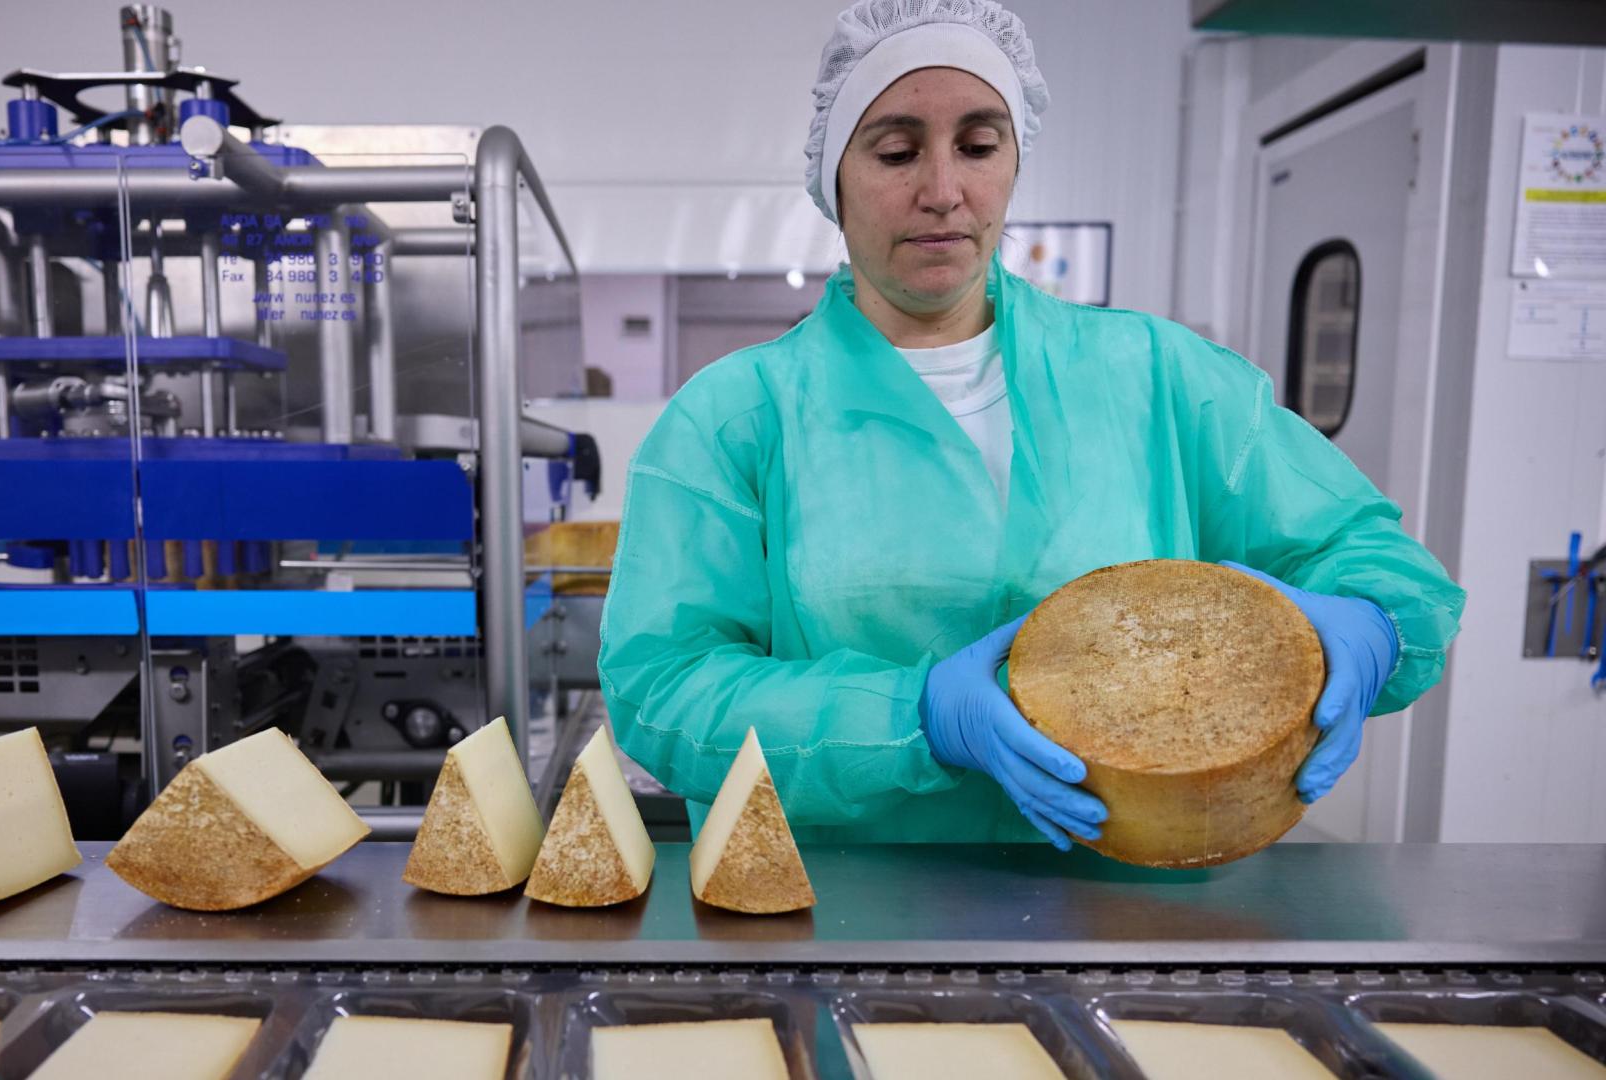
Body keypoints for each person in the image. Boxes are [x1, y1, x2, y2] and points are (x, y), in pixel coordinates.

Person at [596, 0, 1464, 847]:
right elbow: (661, 688)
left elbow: (1384, 566)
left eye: (978, 145)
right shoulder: (735, 419)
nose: (944, 191)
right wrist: (915, 717)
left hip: (1134, 925)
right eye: (897, 151)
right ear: (835, 177)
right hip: (848, 924)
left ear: (1015, 160)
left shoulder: (1156, 377)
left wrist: (1372, 627)